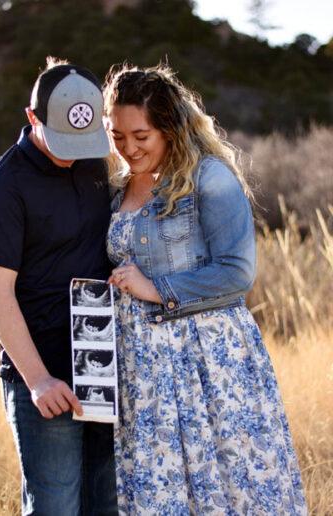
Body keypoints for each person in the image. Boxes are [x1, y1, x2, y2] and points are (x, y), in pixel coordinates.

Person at [104, 64, 308, 515]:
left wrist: (155, 287)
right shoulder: (118, 188)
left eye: (141, 136)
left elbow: (236, 272)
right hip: (142, 368)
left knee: (228, 487)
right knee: (158, 492)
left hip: (206, 361)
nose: (128, 148)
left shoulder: (210, 178)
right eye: (117, 136)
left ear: (170, 129)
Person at [0, 57, 118, 516]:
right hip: (45, 379)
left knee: (109, 506)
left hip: (104, 372)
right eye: (61, 139)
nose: (71, 151)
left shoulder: (95, 161)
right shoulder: (2, 188)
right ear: (32, 118)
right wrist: (37, 380)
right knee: (55, 508)